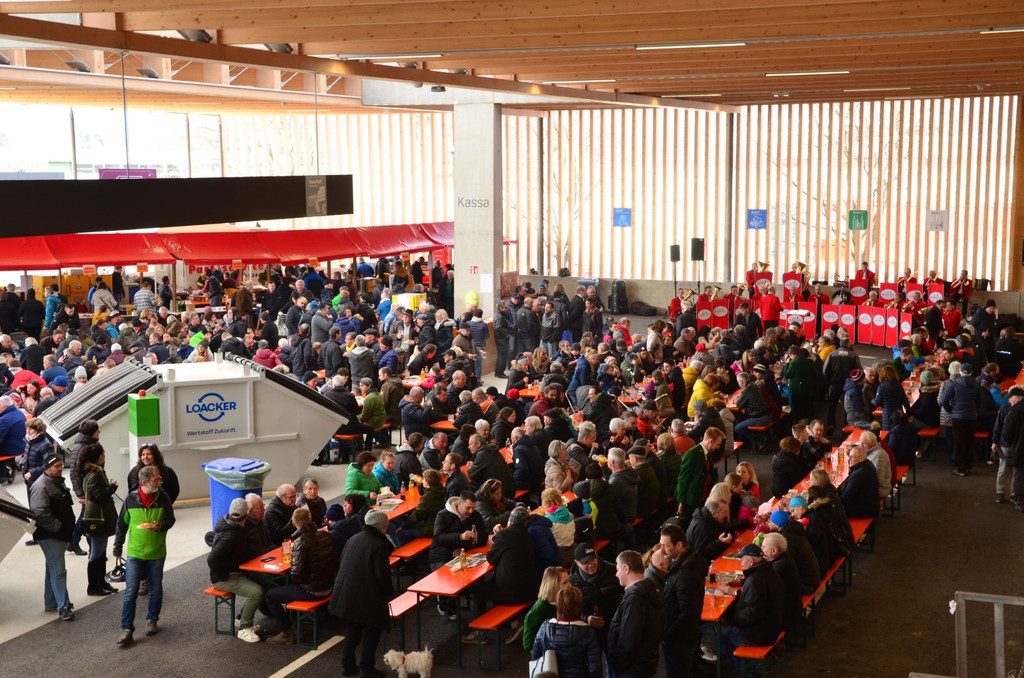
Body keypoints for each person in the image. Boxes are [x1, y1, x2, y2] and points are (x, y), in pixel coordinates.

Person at [113, 465, 176, 645]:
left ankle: (152, 619)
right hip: (135, 553)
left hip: (157, 552)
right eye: (156, 479)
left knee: (156, 588)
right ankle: (126, 629)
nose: (159, 482)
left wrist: (160, 526)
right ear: (144, 482)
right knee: (130, 591)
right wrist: (117, 547)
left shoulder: (163, 497)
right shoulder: (130, 499)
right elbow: (121, 524)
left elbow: (171, 519)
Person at [330, 509, 394, 676]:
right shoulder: (379, 545)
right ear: (383, 528)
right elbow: (382, 576)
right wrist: (388, 593)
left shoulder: (353, 539)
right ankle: (367, 668)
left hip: (345, 593)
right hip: (366, 596)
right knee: (372, 631)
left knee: (353, 631)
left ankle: (348, 666)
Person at [266, 507, 340, 645]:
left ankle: (287, 632)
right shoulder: (327, 535)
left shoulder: (300, 542)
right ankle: (297, 624)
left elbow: (297, 576)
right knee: (290, 588)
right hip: (330, 585)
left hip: (312, 591)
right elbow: (336, 561)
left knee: (270, 595)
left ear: (294, 523)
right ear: (310, 519)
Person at [719, 544, 785, 675]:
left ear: (750, 561)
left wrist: (732, 618)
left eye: (742, 560)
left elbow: (752, 613)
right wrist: (741, 584)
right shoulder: (768, 572)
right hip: (773, 626)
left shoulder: (755, 581)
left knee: (720, 636)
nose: (741, 563)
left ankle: (749, 672)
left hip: (760, 634)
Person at [207, 498, 265, 643]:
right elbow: (212, 559)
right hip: (224, 578)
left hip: (233, 573)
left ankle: (243, 619)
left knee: (262, 584)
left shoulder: (228, 526)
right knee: (257, 592)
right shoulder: (231, 535)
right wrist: (223, 577)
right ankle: (244, 628)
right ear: (246, 514)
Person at [28, 455, 76, 620]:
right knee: (59, 571)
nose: (61, 468)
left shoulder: (55, 482)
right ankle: (64, 607)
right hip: (50, 536)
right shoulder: (41, 486)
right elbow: (40, 513)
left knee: (52, 568)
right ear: (47, 468)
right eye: (57, 466)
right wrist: (59, 528)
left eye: (61, 465)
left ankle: (51, 602)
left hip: (58, 535)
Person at [607, 550, 664, 678]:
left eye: (618, 569)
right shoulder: (650, 590)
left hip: (632, 669)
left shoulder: (635, 600)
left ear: (626, 569)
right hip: (645, 664)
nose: (616, 574)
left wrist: (618, 665)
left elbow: (629, 640)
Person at [659, 524, 707, 678]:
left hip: (680, 640)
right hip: (687, 636)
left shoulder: (685, 575)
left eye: (665, 546)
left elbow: (687, 614)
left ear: (679, 545)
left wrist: (668, 637)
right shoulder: (690, 562)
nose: (662, 550)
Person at [76, 443, 119, 597]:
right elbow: (98, 496)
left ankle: (101, 582)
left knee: (101, 552)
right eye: (103, 454)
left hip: (99, 516)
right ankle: (94, 586)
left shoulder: (93, 471)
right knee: (96, 553)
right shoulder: (94, 474)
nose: (105, 456)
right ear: (99, 457)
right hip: (97, 519)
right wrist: (112, 487)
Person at [531, 586, 603, 678]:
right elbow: (595, 668)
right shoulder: (588, 632)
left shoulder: (545, 627)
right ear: (579, 606)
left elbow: (535, 657)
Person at [675, 427, 724, 524]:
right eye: (717, 444)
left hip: (701, 499)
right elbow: (683, 480)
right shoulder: (691, 455)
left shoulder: (706, 454)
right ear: (711, 441)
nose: (718, 447)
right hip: (691, 502)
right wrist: (681, 503)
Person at [523, 566, 569, 651]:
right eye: (565, 582)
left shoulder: (564, 598)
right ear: (553, 586)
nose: (569, 585)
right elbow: (528, 643)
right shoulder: (538, 610)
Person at [839, 445, 880, 519]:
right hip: (872, 504)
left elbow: (846, 497)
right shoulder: (868, 464)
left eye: (852, 457)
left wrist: (834, 501)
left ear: (861, 459)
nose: (849, 460)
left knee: (833, 509)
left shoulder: (858, 474)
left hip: (865, 509)